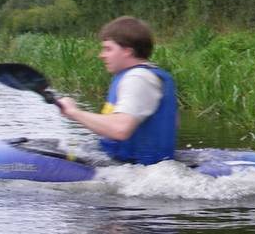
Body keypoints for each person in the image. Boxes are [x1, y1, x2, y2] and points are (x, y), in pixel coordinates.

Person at [56, 16, 177, 165]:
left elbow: (120, 129)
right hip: (132, 164)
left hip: (138, 169)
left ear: (127, 51)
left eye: (108, 49)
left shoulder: (138, 78)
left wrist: (74, 112)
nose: (101, 55)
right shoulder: (138, 75)